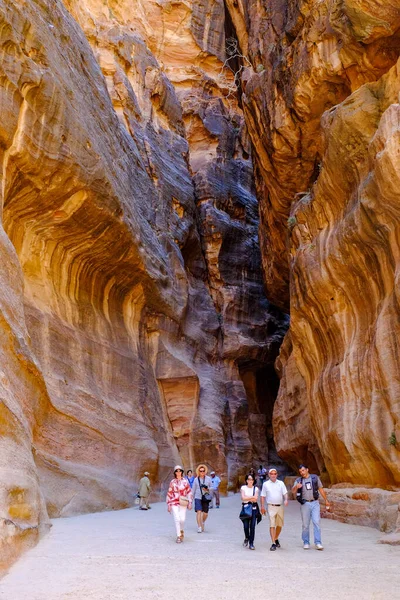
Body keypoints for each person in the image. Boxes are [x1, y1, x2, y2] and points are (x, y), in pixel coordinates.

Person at [292, 464, 331, 550]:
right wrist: (296, 486)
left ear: (307, 469)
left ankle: (318, 542)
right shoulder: (298, 480)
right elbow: (293, 491)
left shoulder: (315, 478)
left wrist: (326, 500)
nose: (302, 473)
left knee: (316, 522)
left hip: (315, 503)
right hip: (305, 504)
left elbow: (320, 489)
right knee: (305, 525)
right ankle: (306, 542)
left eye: (303, 470)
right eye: (300, 471)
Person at [260, 467, 288, 550]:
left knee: (279, 525)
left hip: (280, 506)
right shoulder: (265, 484)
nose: (273, 475)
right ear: (269, 475)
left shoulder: (281, 483)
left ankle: (275, 538)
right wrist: (262, 506)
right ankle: (273, 543)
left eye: (274, 474)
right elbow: (262, 496)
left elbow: (285, 493)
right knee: (272, 524)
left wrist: (286, 499)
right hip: (270, 506)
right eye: (271, 474)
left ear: (277, 475)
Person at [166, 465, 193, 543]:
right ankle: (178, 535)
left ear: (182, 472)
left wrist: (190, 502)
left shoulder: (185, 481)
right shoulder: (172, 482)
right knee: (177, 518)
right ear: (175, 472)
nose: (178, 472)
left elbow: (189, 492)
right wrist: (168, 504)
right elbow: (169, 493)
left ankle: (181, 530)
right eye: (177, 471)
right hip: (174, 502)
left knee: (182, 519)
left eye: (179, 471)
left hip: (183, 502)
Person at [240, 473, 260, 550]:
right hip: (245, 508)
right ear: (246, 480)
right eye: (248, 479)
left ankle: (251, 543)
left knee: (252, 527)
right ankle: (247, 538)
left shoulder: (256, 489)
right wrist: (251, 497)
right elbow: (243, 498)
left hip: (253, 509)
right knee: (245, 526)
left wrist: (247, 497)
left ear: (253, 480)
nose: (250, 481)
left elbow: (255, 499)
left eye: (251, 479)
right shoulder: (243, 488)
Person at [191, 464, 212, 533]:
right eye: (201, 471)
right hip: (198, 497)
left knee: (205, 513)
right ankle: (199, 526)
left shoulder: (208, 479)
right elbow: (193, 489)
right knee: (199, 511)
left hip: (205, 496)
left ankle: (202, 521)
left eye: (203, 471)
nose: (202, 472)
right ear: (198, 472)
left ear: (205, 471)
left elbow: (212, 487)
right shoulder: (196, 479)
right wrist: (191, 497)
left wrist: (207, 489)